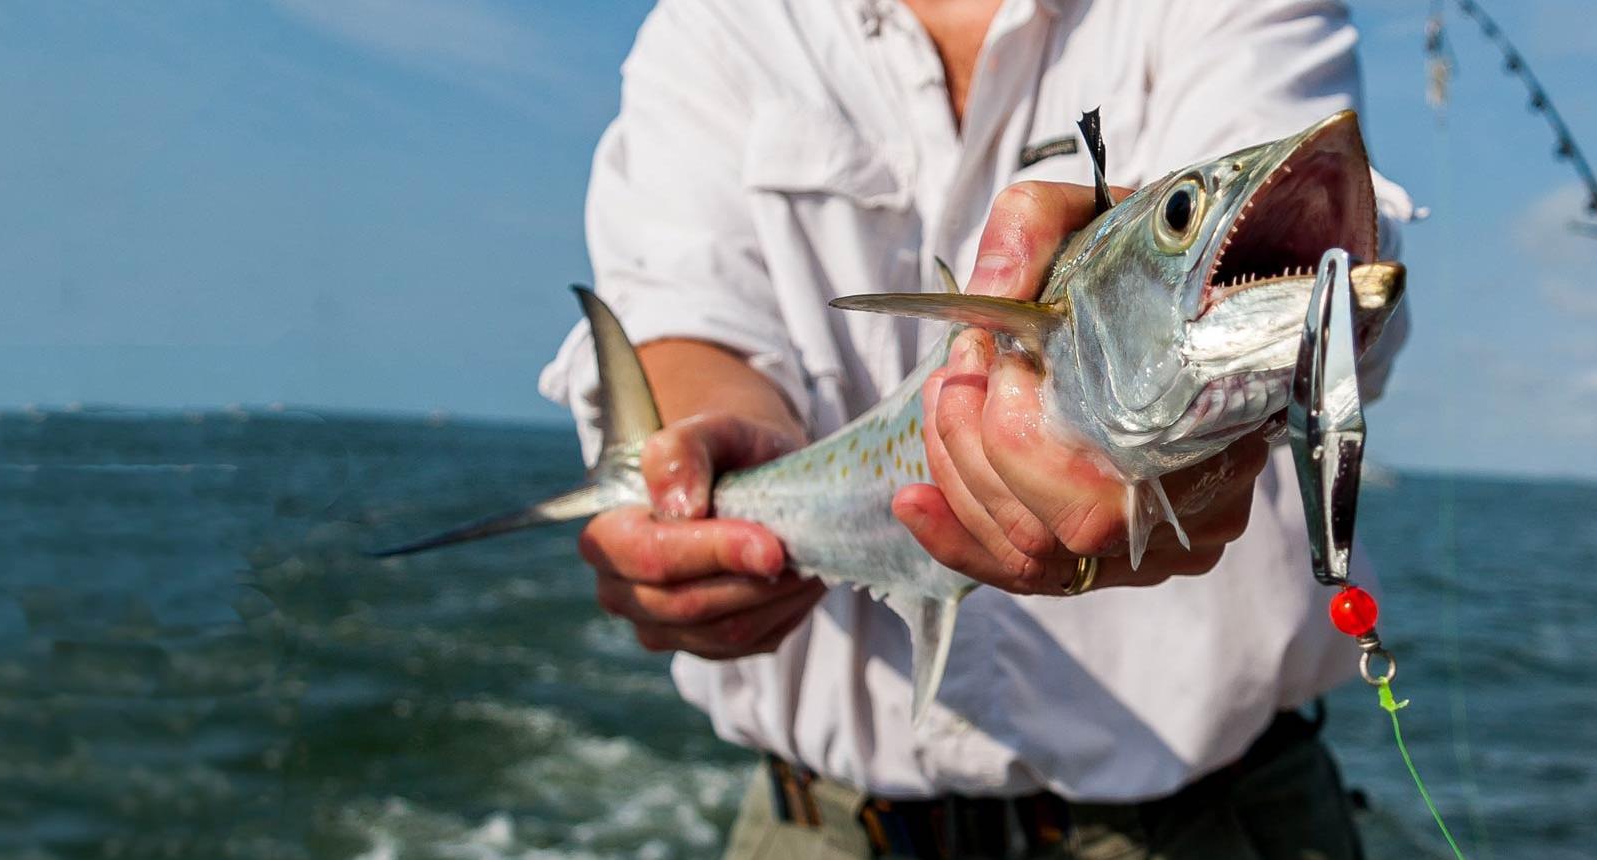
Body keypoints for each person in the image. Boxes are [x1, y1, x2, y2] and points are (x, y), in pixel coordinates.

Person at [539, 1, 1414, 857]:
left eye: (1180, 211)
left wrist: (1208, 444)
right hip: (823, 829)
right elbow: (689, 307)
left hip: (1215, 822)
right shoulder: (717, 25)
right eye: (1180, 213)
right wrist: (700, 455)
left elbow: (1274, 254)